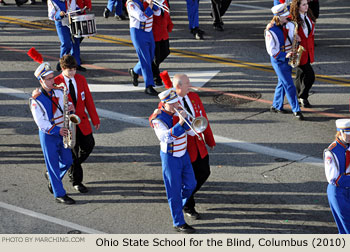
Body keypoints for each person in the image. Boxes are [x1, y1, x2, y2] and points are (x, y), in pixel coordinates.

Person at [149, 74, 216, 219]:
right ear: (178, 86)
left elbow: (203, 118)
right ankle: (187, 205)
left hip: (198, 143)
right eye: (187, 83)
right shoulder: (169, 103)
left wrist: (210, 140)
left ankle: (185, 197)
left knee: (204, 172)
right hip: (183, 148)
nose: (190, 86)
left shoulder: (194, 97)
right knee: (189, 180)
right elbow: (156, 118)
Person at [151, 88, 197, 233]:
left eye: (176, 102)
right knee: (174, 191)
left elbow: (191, 131)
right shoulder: (158, 119)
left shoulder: (180, 112)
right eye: (172, 103)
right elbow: (166, 137)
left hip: (184, 154)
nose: (175, 105)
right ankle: (178, 222)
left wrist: (189, 121)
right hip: (170, 158)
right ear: (163, 104)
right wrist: (181, 123)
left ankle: (179, 205)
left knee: (191, 184)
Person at [29, 62, 75, 204]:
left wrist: (71, 108)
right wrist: (57, 130)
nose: (52, 81)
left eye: (52, 77)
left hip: (63, 131)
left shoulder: (59, 91)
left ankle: (51, 176)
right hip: (49, 135)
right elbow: (41, 122)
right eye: (48, 79)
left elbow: (65, 107)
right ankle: (59, 193)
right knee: (53, 164)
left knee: (68, 161)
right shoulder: (36, 100)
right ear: (41, 81)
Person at [54, 55, 100, 193]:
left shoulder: (81, 79)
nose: (73, 72)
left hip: (82, 121)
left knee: (89, 145)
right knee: (73, 152)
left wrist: (95, 119)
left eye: (74, 69)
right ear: (63, 69)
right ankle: (76, 181)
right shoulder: (56, 82)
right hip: (67, 125)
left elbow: (88, 100)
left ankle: (68, 166)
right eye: (70, 70)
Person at [265, 3, 304, 120]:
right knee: (289, 85)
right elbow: (271, 51)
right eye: (285, 16)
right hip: (279, 60)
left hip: (289, 57)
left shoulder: (290, 25)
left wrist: (297, 41)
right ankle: (296, 109)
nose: (288, 17)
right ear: (278, 17)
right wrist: (285, 55)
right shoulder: (270, 31)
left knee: (282, 82)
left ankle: (276, 105)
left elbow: (292, 41)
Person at [126, 0, 161, 96]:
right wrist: (150, 5)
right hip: (138, 33)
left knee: (149, 58)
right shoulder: (131, 3)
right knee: (145, 59)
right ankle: (148, 86)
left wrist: (153, 4)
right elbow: (142, 17)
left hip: (148, 32)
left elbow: (158, 13)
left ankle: (135, 71)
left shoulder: (145, 1)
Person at [324, 119, 350, 234]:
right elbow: (334, 179)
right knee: (346, 226)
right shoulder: (331, 151)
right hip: (338, 191)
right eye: (348, 135)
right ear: (340, 133)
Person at [290, 0, 316, 108]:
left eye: (307, 4)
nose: (307, 6)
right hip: (299, 52)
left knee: (300, 75)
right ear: (298, 6)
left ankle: (297, 97)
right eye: (304, 4)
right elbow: (284, 30)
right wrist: (294, 36)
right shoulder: (292, 19)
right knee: (310, 76)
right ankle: (303, 96)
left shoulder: (308, 15)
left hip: (308, 50)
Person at [48, 0, 86, 72]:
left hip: (73, 20)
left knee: (76, 42)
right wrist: (59, 14)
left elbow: (74, 8)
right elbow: (52, 15)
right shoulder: (53, 1)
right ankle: (62, 62)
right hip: (61, 23)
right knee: (66, 43)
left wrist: (80, 10)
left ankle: (76, 63)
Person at [151, 0, 173, 86]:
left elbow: (167, 15)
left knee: (166, 52)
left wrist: (169, 24)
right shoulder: (150, 3)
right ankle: (156, 76)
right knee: (157, 57)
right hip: (155, 33)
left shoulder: (164, 2)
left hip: (164, 33)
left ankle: (148, 68)